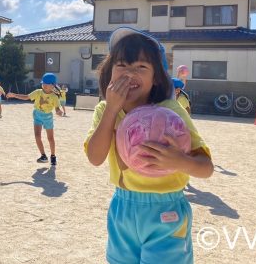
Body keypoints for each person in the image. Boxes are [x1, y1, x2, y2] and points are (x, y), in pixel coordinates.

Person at [84, 27, 213, 264]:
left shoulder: (171, 112)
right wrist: (112, 109)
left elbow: (206, 167)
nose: (130, 73)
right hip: (123, 207)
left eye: (141, 67)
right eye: (122, 65)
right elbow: (95, 158)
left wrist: (180, 161)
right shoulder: (105, 110)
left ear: (156, 78)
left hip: (165, 209)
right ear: (109, 73)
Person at [7, 73, 63, 166]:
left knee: (50, 138)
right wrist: (14, 95)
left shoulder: (54, 96)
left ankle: (53, 156)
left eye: (47, 84)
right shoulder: (38, 92)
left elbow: (57, 108)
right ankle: (43, 156)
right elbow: (26, 97)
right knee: (37, 136)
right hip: (37, 115)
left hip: (48, 117)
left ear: (53, 85)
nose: (44, 85)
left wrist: (58, 111)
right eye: (43, 83)